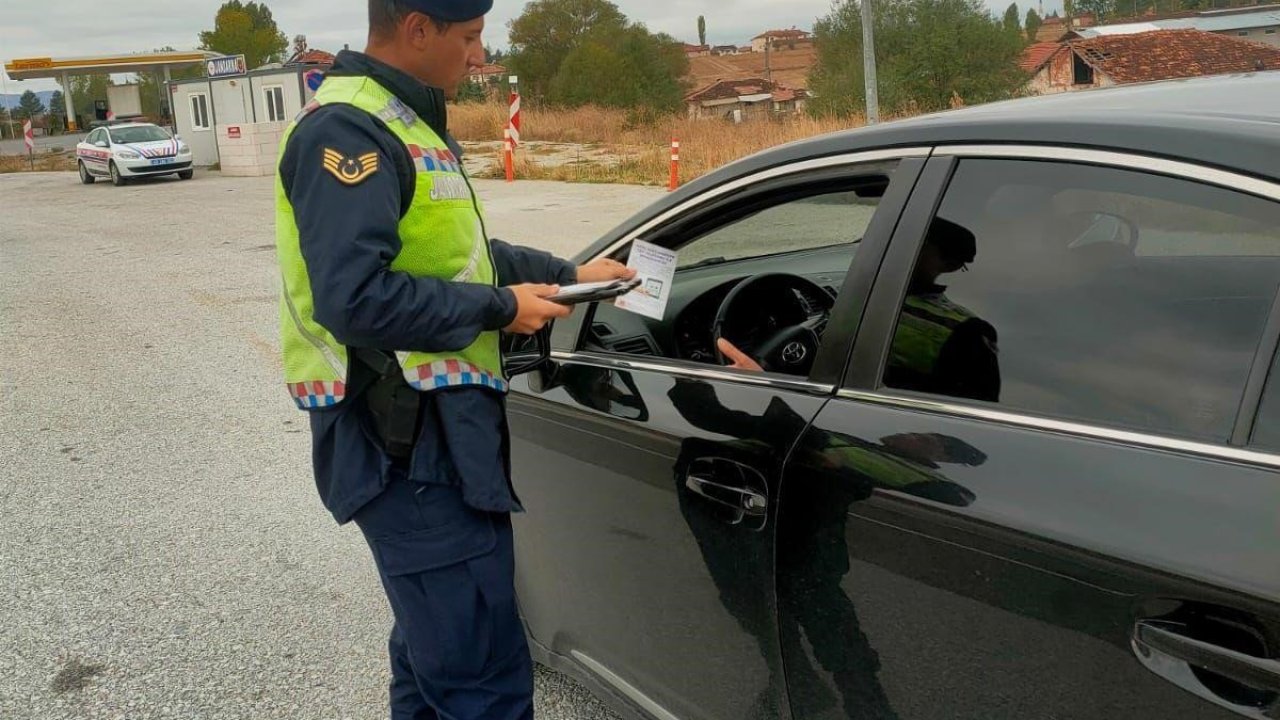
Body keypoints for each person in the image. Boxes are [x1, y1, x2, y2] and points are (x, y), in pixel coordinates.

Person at [273, 2, 633, 718]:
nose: (478, 56)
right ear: (416, 28)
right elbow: (354, 298)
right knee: (481, 677)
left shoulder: (404, 121)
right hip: (401, 441)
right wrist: (501, 309)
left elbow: (463, 259)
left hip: (440, 435)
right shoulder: (348, 130)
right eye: (468, 39)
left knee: (432, 657)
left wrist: (571, 272)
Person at [719, 217, 1000, 403]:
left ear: (948, 262)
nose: (891, 248)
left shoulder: (968, 333)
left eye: (915, 242)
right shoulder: (876, 299)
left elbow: (965, 434)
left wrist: (764, 390)